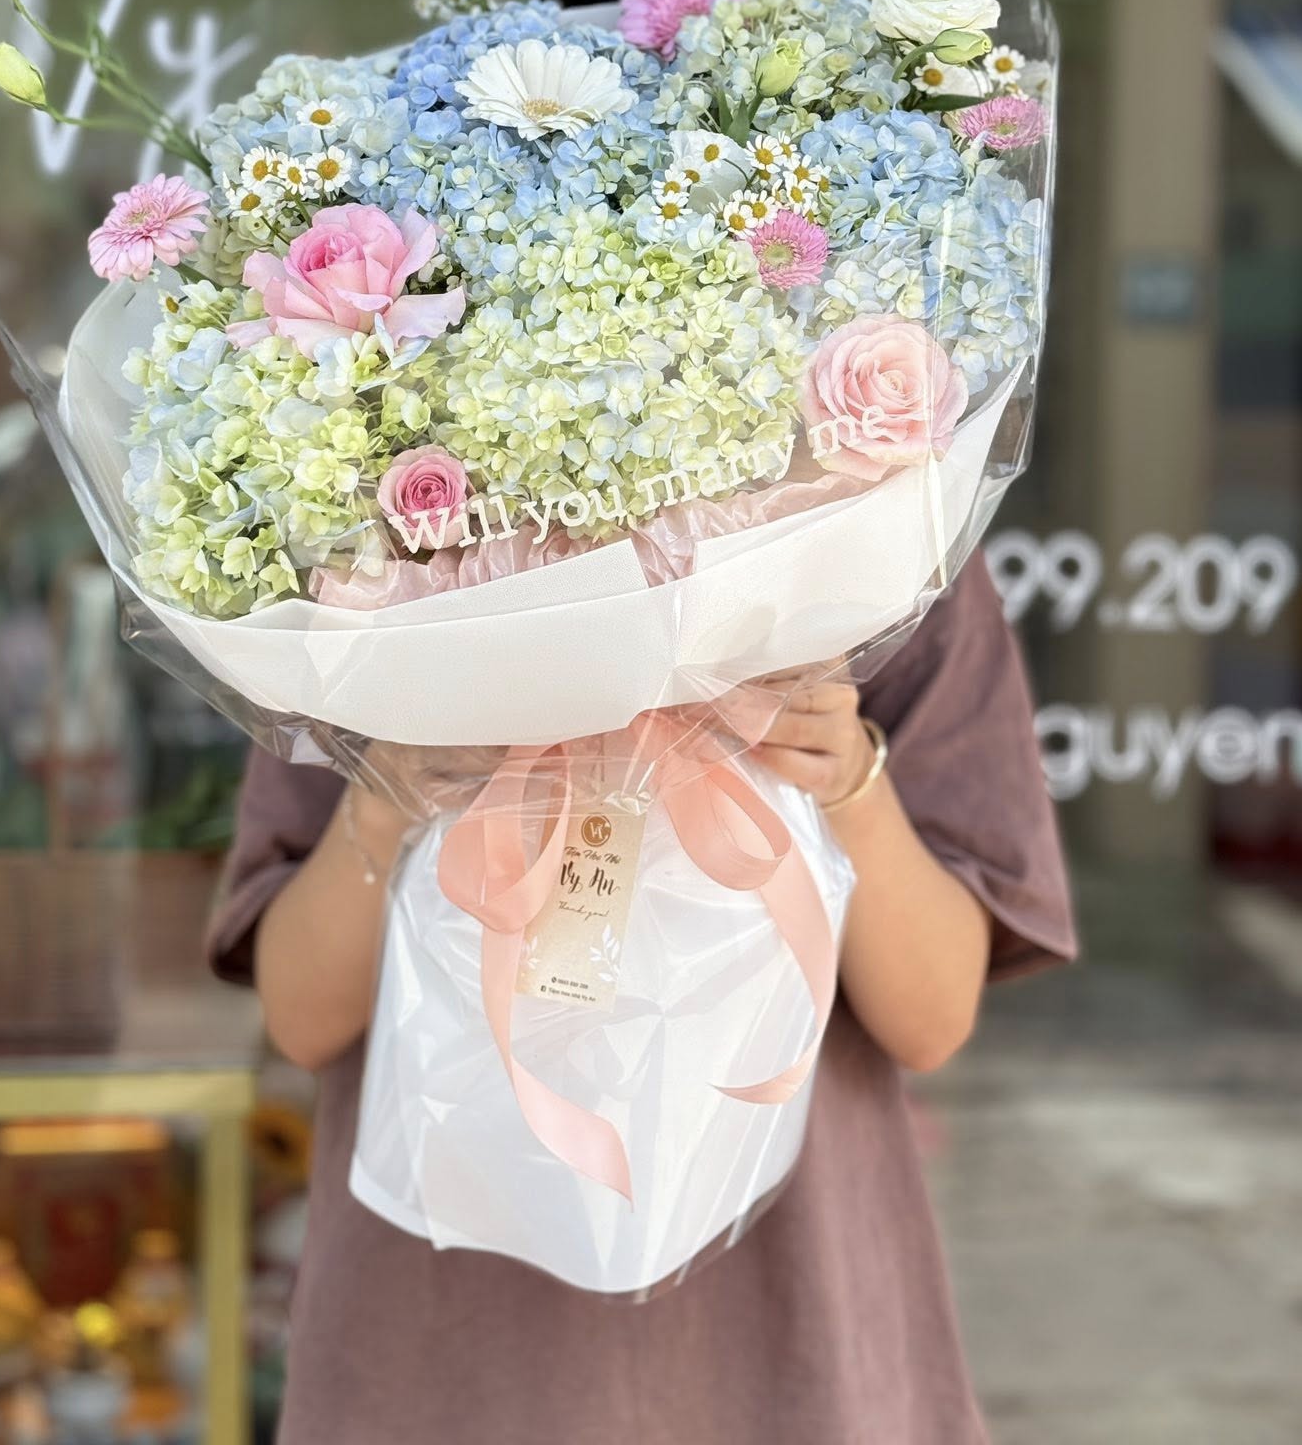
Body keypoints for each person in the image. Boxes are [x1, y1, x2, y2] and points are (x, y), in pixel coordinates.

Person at [208, 549, 1076, 1444]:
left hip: (783, 1319)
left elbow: (931, 1020)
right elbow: (303, 1021)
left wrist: (845, 774)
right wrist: (391, 788)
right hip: (449, 1329)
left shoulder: (878, 535)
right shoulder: (380, 543)